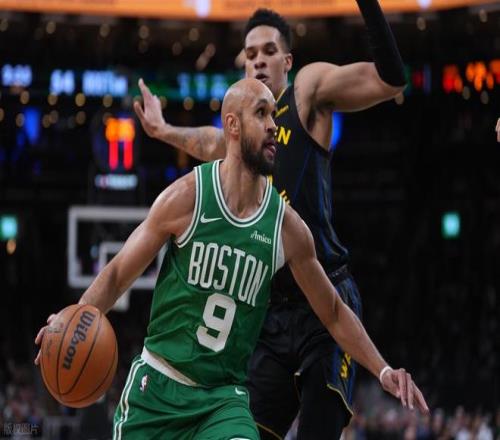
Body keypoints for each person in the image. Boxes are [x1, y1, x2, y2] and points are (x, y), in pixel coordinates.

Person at [35, 79, 427, 439]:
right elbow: (118, 273)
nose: (273, 125)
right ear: (232, 125)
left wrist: (383, 369)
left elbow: (335, 313)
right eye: (261, 113)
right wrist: (74, 318)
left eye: (274, 114)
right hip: (157, 389)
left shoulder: (287, 228)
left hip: (223, 402)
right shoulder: (187, 197)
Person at [134, 4, 408, 439]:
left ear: (288, 61)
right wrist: (163, 130)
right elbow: (209, 141)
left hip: (325, 303)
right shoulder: (244, 136)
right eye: (250, 54)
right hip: (268, 315)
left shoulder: (307, 91)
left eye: (268, 51)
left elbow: (390, 79)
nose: (258, 60)